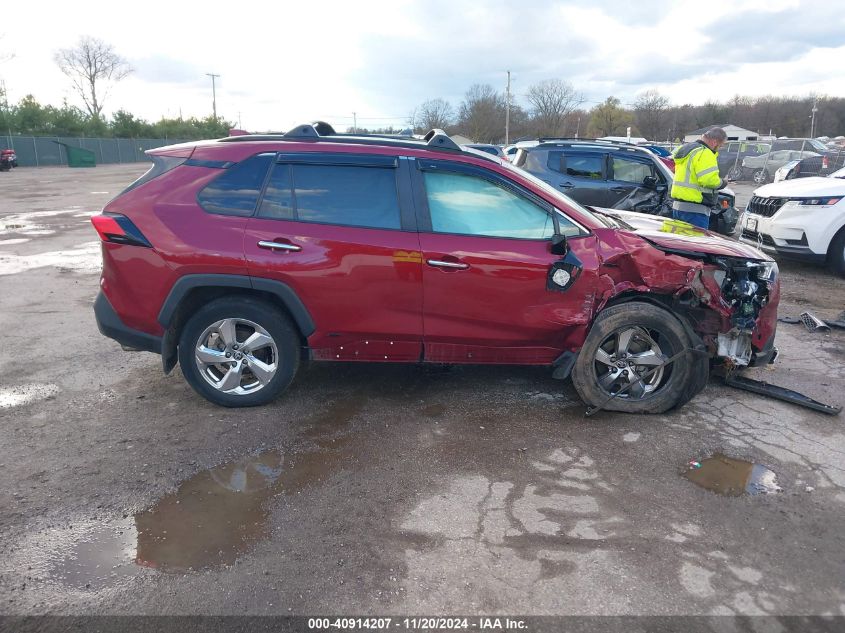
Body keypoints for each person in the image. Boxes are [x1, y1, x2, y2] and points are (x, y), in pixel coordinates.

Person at [670, 127, 729, 229]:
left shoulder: (687, 150)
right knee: (695, 242)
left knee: (680, 243)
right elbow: (709, 180)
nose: (718, 149)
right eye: (720, 146)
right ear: (714, 142)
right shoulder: (705, 153)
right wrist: (723, 182)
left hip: (678, 207)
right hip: (696, 210)